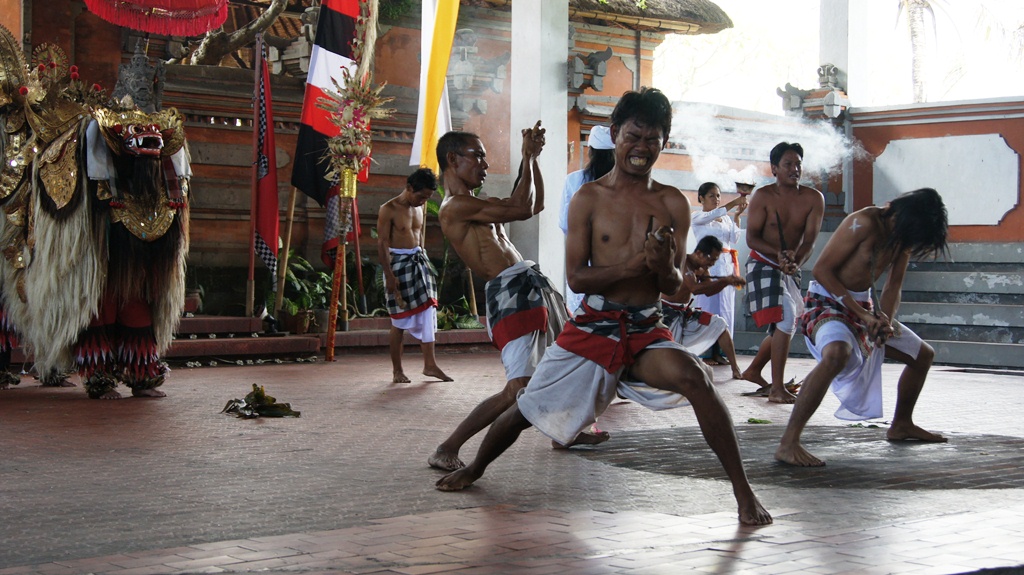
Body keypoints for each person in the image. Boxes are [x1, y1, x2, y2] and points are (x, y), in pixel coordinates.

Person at [435, 88, 772, 526]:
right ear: (615, 135)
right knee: (524, 406)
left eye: (653, 139)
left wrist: (662, 266)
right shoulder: (588, 199)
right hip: (593, 325)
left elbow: (676, 290)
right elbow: (577, 277)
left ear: (663, 143)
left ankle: (743, 493)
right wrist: (634, 264)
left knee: (697, 378)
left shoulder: (672, 203)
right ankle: (475, 467)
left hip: (647, 328)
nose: (642, 148)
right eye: (634, 136)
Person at [428, 122, 599, 471]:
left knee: (564, 362)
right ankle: (447, 447)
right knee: (517, 388)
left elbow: (534, 205)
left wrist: (532, 160)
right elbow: (521, 206)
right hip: (510, 297)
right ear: (452, 159)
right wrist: (526, 155)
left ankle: (563, 431)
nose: (485, 166)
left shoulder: (475, 204)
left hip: (529, 288)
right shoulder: (454, 207)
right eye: (478, 157)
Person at [775, 188, 949, 467]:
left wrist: (886, 323)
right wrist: (862, 315)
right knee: (836, 354)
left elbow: (894, 285)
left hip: (864, 310)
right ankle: (788, 442)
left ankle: (901, 424)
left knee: (922, 355)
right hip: (827, 302)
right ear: (904, 216)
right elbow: (822, 270)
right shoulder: (864, 222)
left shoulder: (902, 236)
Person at [740, 142, 824, 404]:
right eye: (788, 164)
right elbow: (752, 239)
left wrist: (795, 263)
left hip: (789, 266)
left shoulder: (813, 198)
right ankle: (776, 388)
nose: (795, 169)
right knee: (786, 317)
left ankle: (754, 370)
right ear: (774, 168)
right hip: (762, 263)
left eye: (798, 164)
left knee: (788, 321)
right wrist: (778, 255)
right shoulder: (763, 197)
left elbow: (809, 242)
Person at [377, 168, 453, 384]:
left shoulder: (420, 208)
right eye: (421, 196)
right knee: (399, 320)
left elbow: (419, 239)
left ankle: (430, 365)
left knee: (428, 313)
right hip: (397, 265)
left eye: (428, 197)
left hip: (419, 263)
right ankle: (397, 371)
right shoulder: (388, 209)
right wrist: (389, 275)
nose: (423, 201)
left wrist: (425, 264)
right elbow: (382, 243)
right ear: (409, 187)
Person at [662, 235, 746, 380]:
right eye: (711, 259)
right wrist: (724, 280)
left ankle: (735, 368)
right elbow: (695, 288)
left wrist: (726, 282)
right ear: (699, 253)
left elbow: (708, 291)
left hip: (684, 312)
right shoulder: (684, 263)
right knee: (668, 356)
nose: (712, 263)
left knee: (719, 324)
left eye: (715, 260)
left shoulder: (702, 268)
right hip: (666, 313)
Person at [559, 125, 615, 313]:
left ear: (590, 152)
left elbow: (564, 223)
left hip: (581, 261)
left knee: (583, 318)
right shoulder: (624, 184)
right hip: (615, 261)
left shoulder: (573, 180)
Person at [691, 181, 746, 365]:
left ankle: (720, 352)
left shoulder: (726, 219)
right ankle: (705, 353)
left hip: (727, 266)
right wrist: (733, 203)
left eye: (718, 196)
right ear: (701, 198)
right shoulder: (698, 217)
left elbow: (734, 238)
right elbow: (717, 213)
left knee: (726, 310)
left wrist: (737, 216)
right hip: (709, 266)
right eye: (712, 196)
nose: (716, 199)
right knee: (708, 308)